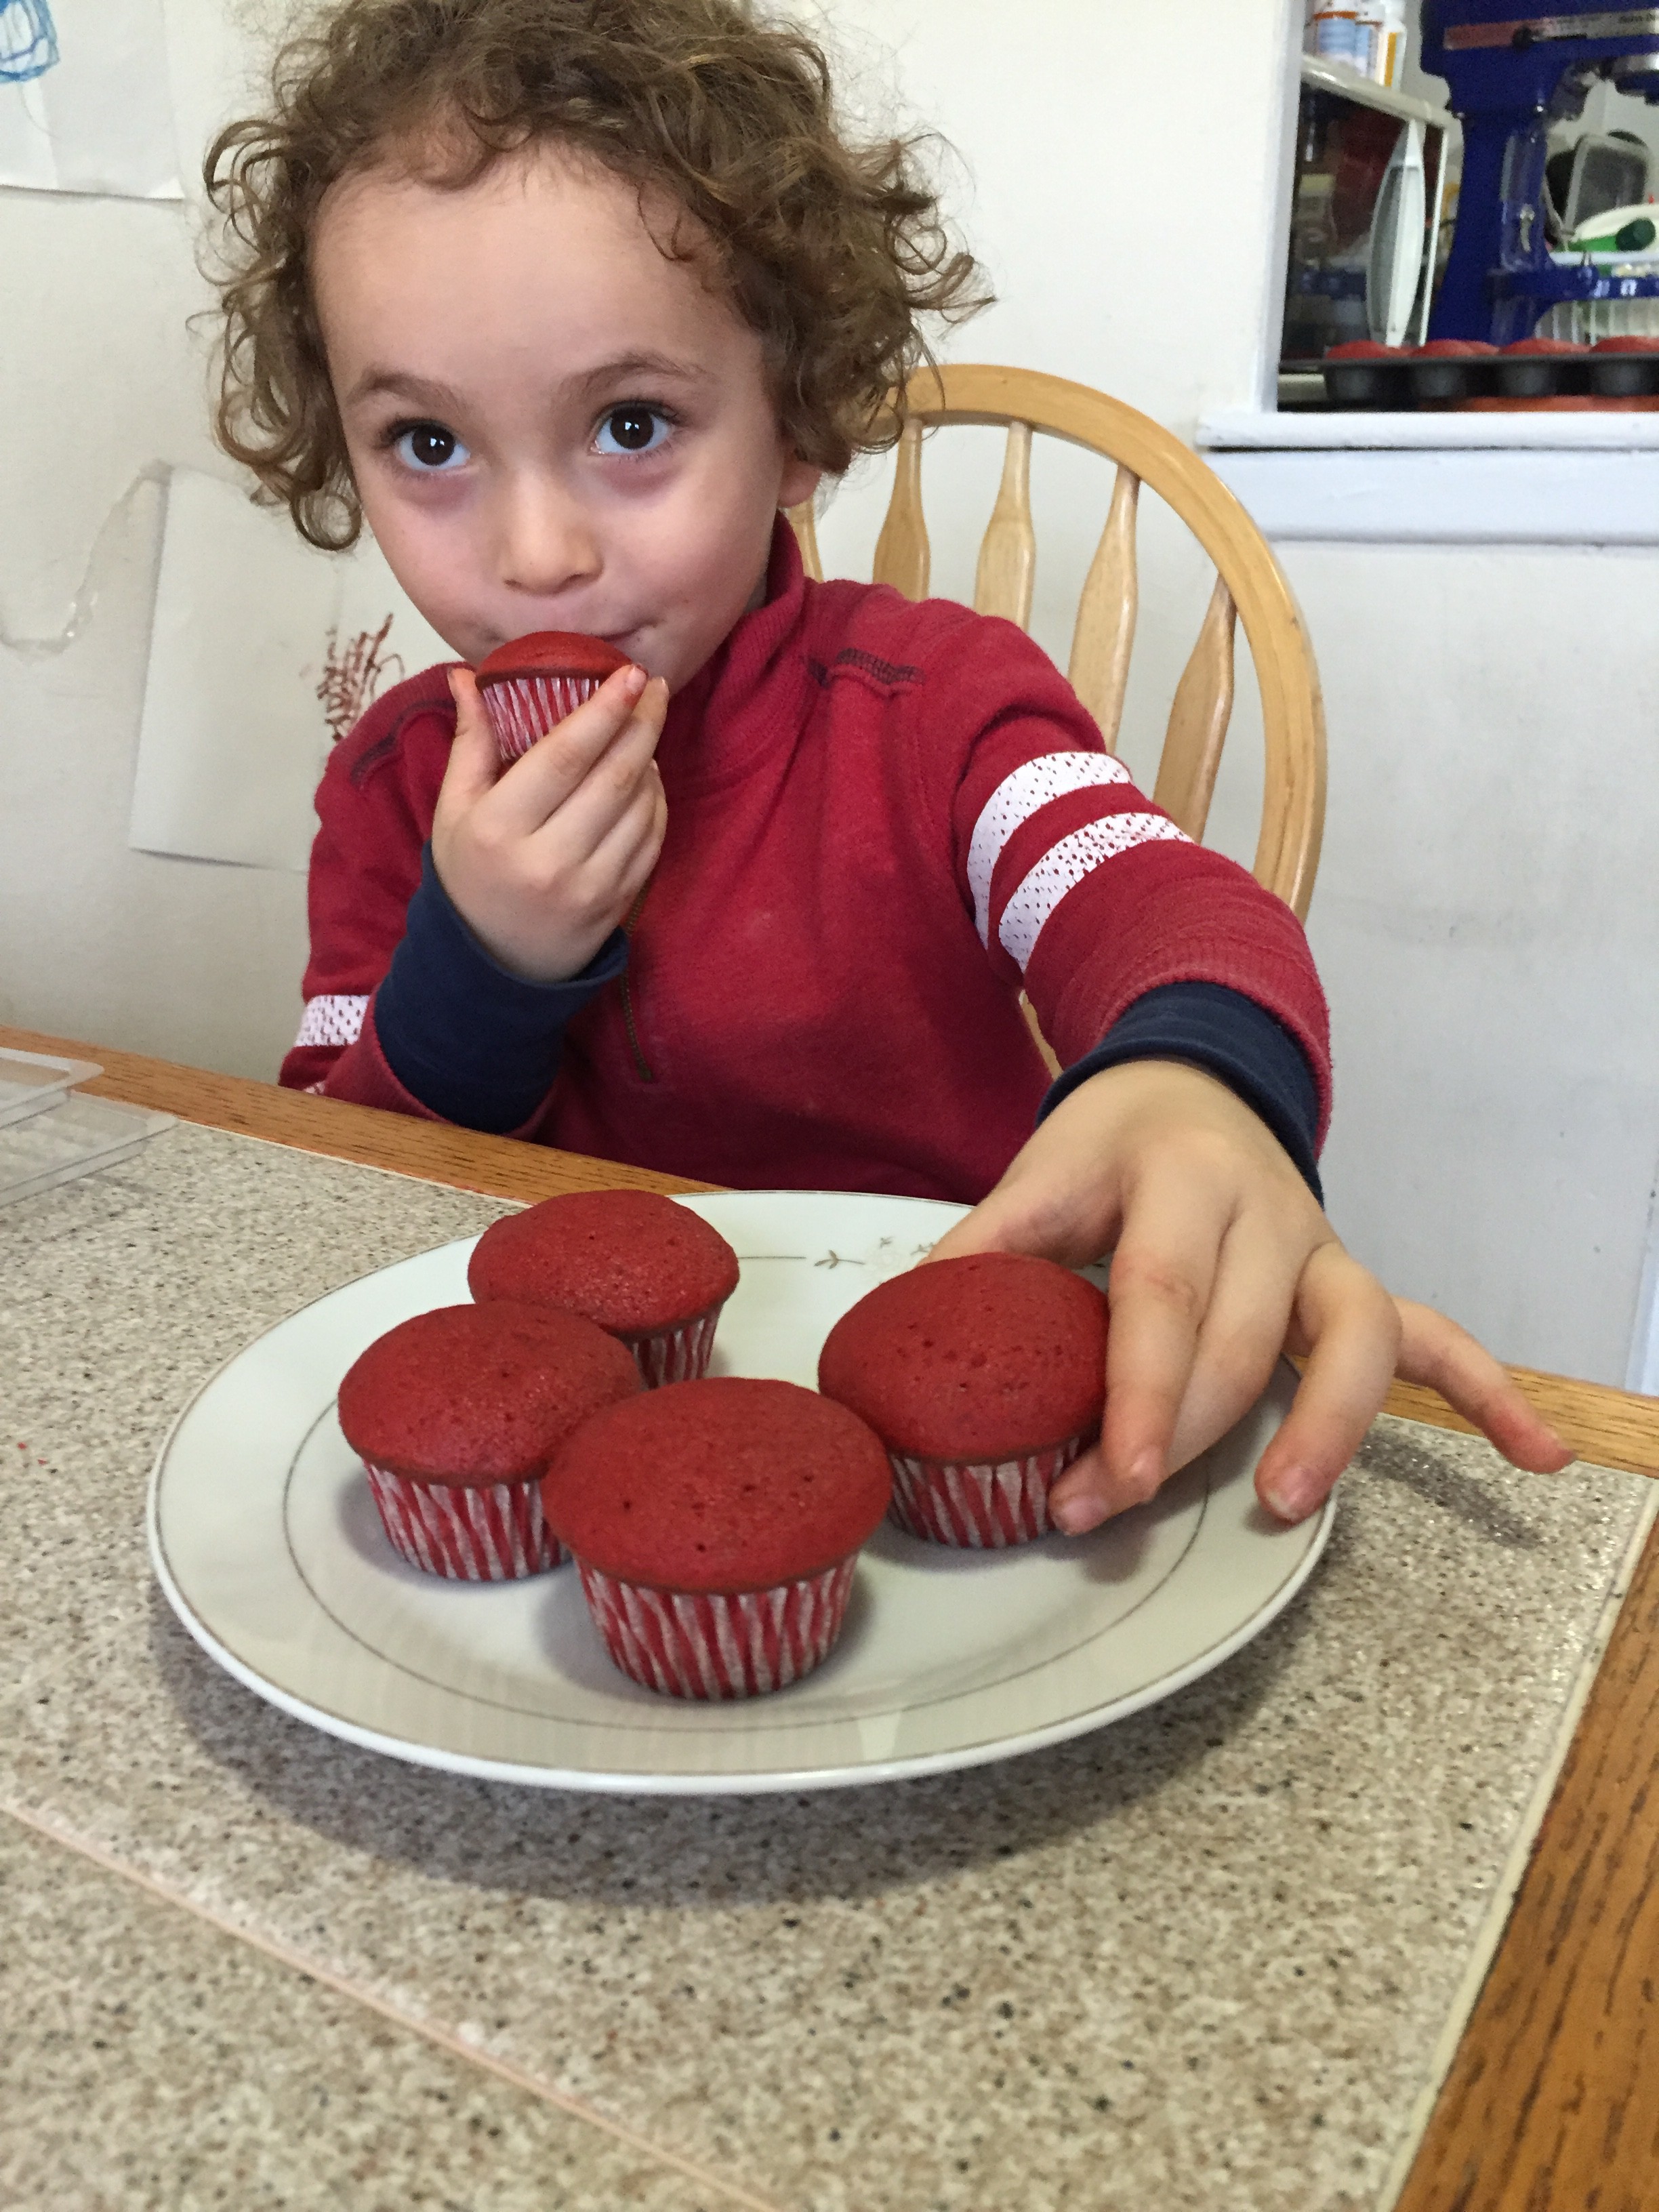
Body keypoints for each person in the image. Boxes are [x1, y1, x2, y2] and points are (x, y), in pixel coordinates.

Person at [203, 0, 1569, 1534]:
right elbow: (339, 1191)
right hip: (587, 1497)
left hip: (967, 1457)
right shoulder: (398, 787)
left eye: (632, 422)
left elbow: (1159, 904)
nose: (538, 556)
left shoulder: (930, 715)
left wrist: (1201, 1079)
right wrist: (478, 973)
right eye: (429, 445)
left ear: (796, 427)